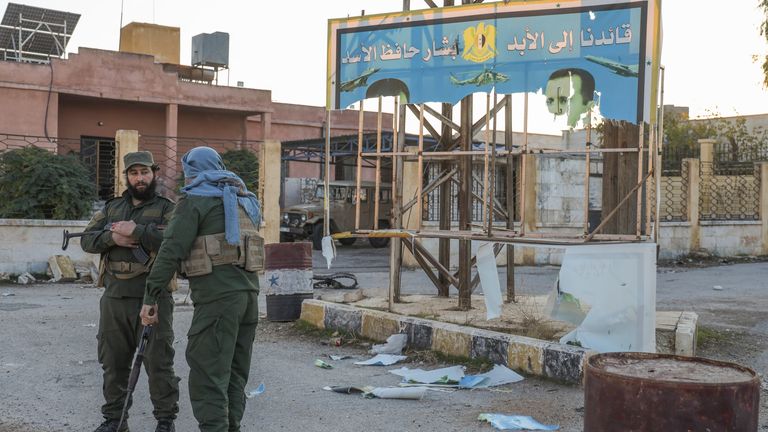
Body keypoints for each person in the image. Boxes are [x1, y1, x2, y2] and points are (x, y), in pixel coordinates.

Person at [140, 146, 262, 432]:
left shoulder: (195, 200)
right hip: (248, 298)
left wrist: (150, 296)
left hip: (218, 301)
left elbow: (171, 250)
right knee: (233, 375)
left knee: (208, 375)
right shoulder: (243, 198)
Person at [81, 151, 179, 432]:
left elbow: (176, 240)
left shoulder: (167, 209)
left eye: (145, 172)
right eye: (134, 173)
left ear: (154, 174)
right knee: (113, 363)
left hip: (154, 298)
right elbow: (87, 239)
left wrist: (137, 232)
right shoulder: (112, 208)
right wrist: (112, 236)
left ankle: (165, 422)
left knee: (159, 364)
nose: (140, 178)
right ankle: (115, 420)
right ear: (126, 176)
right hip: (114, 298)